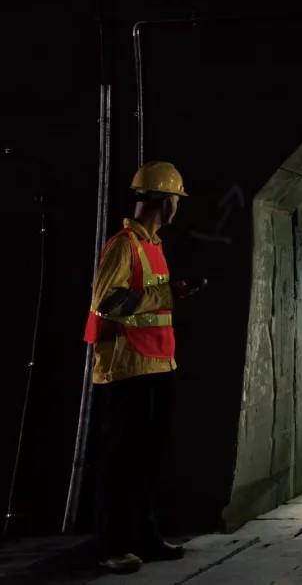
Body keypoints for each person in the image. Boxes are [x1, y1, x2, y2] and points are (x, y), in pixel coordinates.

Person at [82, 162, 203, 574]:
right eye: (176, 200)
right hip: (127, 367)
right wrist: (164, 294)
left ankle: (145, 537)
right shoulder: (123, 245)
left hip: (157, 362)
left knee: (148, 461)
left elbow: (150, 299)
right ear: (165, 202)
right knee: (121, 461)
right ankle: (113, 546)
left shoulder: (153, 245)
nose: (177, 208)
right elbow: (108, 303)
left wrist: (173, 292)